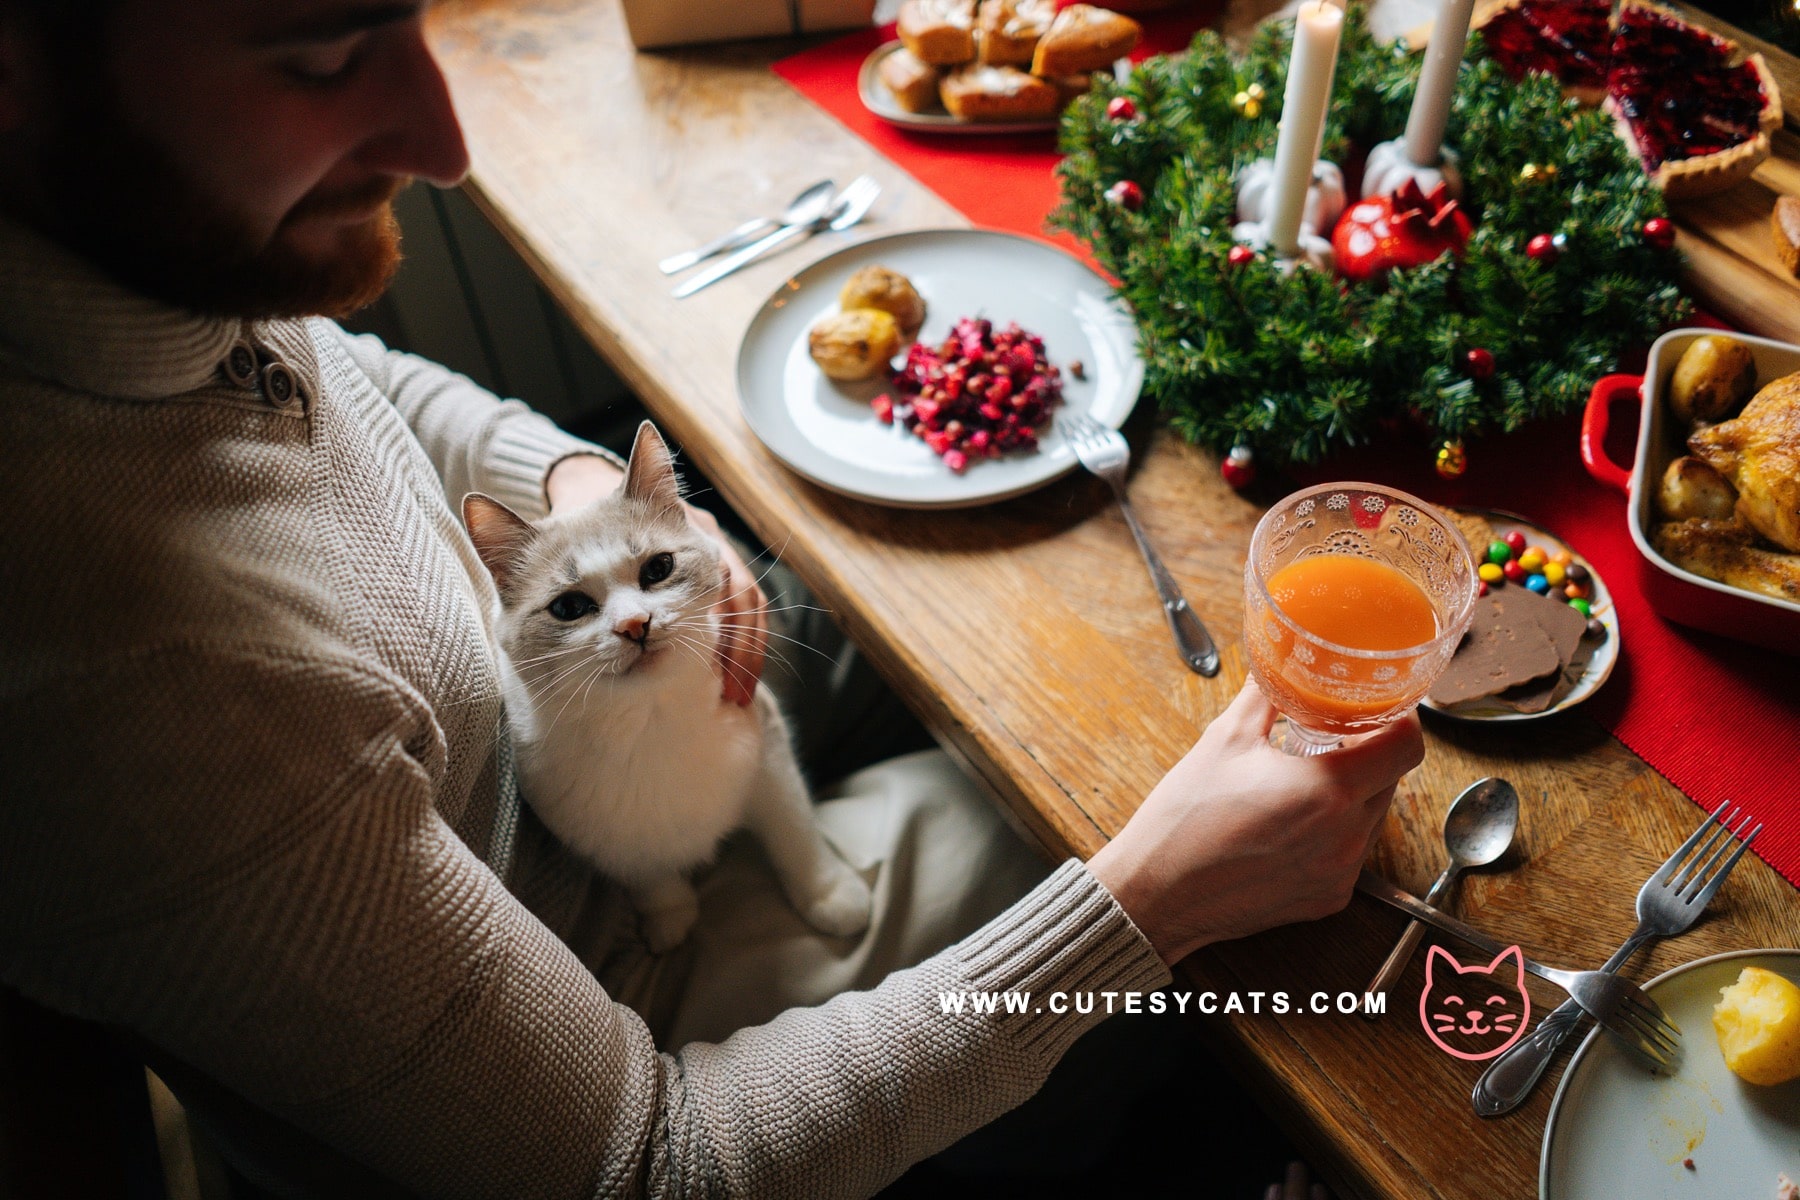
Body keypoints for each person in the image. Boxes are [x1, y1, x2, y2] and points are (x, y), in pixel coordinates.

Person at [0, 1, 1424, 1196]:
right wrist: (1150, 899)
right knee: (1127, 812)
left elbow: (362, 379)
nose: (440, 143)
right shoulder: (130, 695)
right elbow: (650, 1163)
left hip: (564, 711)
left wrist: (571, 496)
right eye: (318, 59)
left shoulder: (154, 265)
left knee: (970, 596)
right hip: (618, 990)